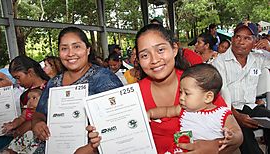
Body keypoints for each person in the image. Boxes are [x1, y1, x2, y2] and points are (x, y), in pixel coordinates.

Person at [85, 24, 242, 154]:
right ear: (138, 60)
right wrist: (100, 137)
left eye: (160, 50)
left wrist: (212, 146)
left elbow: (236, 136)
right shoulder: (133, 96)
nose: (154, 60)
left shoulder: (198, 84)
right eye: (145, 55)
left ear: (174, 49)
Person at [31, 26, 123, 153]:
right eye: (64, 48)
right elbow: (39, 113)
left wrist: (90, 148)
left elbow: (120, 122)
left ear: (88, 49)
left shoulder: (104, 79)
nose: (70, 53)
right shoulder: (53, 83)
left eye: (76, 47)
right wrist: (37, 123)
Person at [147, 63, 242, 153]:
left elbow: (238, 134)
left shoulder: (222, 113)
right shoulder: (183, 110)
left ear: (208, 97)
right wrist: (150, 113)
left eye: (187, 93)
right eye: (180, 92)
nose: (181, 97)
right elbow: (166, 111)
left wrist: (232, 137)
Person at [212, 21, 270, 154]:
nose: (241, 41)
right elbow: (220, 95)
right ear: (232, 39)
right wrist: (236, 116)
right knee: (246, 139)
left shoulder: (258, 59)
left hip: (251, 107)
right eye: (238, 37)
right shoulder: (219, 62)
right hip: (229, 110)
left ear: (255, 42)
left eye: (247, 38)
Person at [1, 88, 42, 154]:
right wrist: (13, 124)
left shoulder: (43, 112)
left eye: (34, 98)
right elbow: (20, 119)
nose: (30, 101)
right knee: (14, 148)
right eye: (28, 99)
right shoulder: (26, 112)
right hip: (23, 138)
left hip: (35, 140)